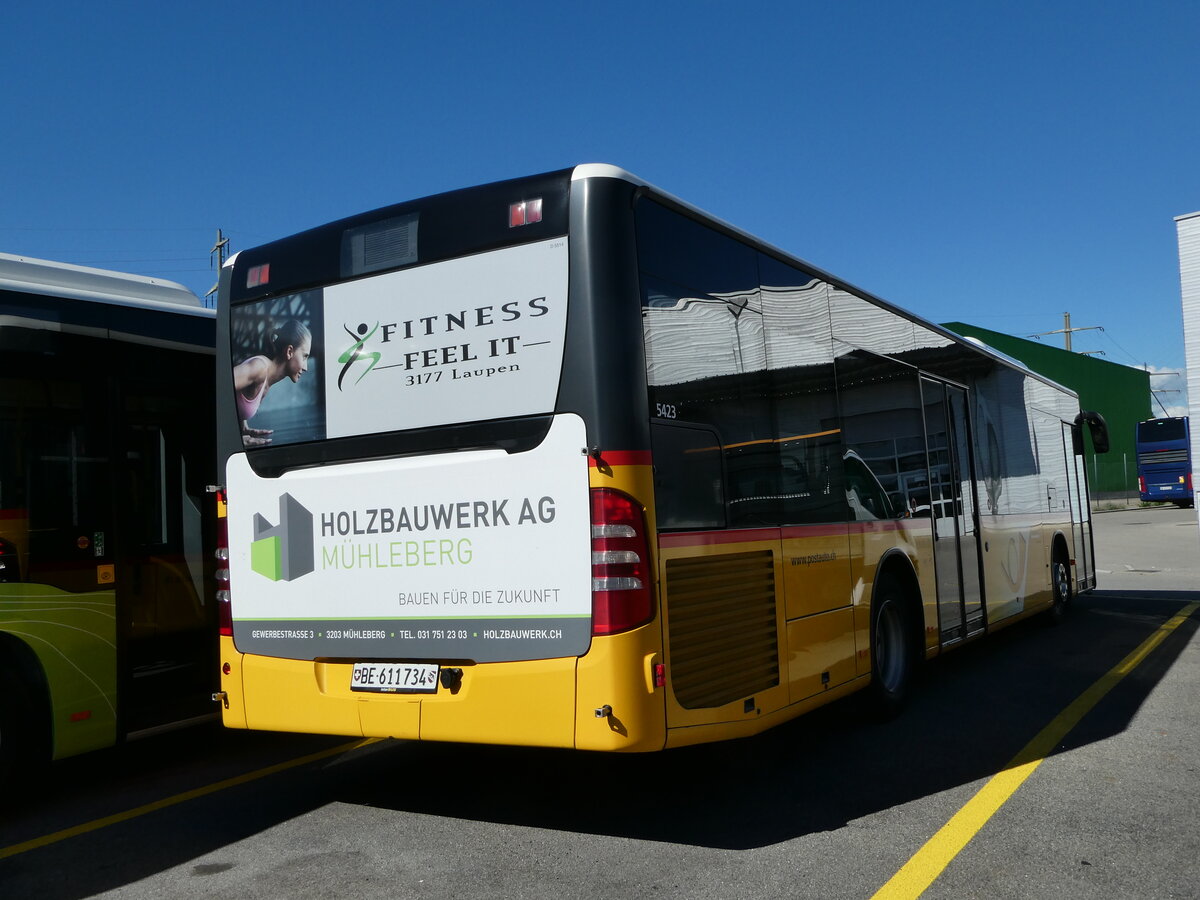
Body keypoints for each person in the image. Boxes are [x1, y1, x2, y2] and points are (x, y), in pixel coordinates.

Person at [233, 320, 312, 446]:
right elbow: (218, 386)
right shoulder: (259, 368)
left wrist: (243, 426)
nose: (306, 367)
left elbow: (235, 396)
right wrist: (234, 438)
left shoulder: (267, 378)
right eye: (304, 356)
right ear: (289, 351)